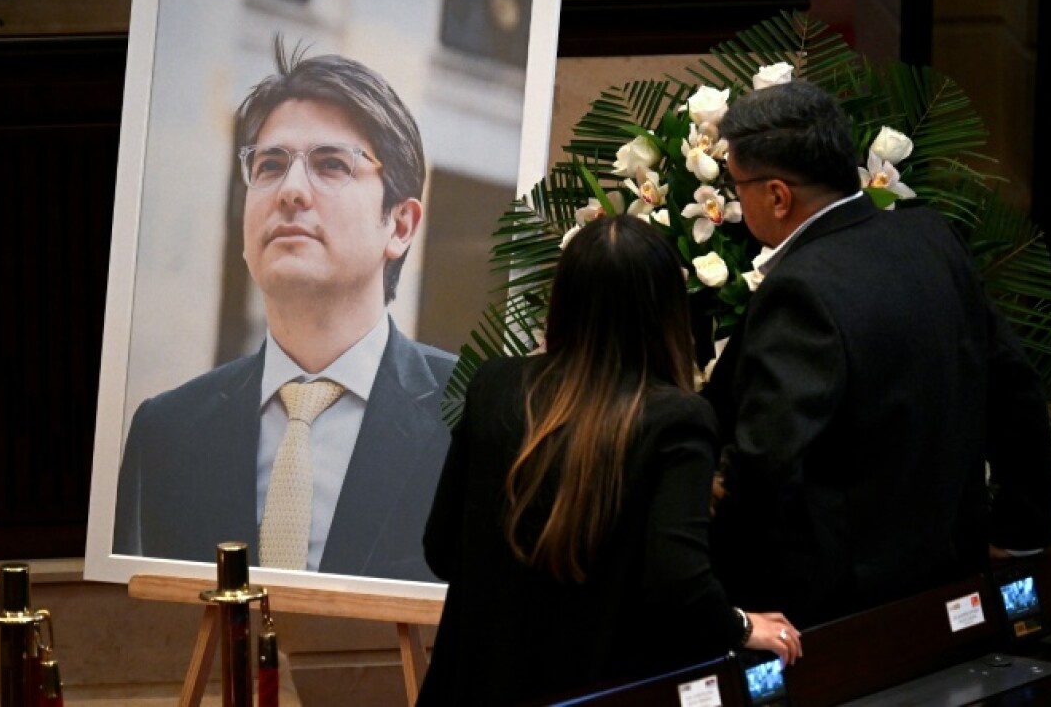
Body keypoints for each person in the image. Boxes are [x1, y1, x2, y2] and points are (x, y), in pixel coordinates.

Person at [703, 79, 1051, 627]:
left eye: (737, 184)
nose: (733, 197)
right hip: (954, 569)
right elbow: (1014, 385)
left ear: (777, 195)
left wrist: (720, 598)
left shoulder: (800, 291)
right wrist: (1021, 530)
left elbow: (767, 463)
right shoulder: (930, 237)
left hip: (842, 607)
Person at [417, 214, 802, 707]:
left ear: (563, 299)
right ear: (667, 309)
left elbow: (441, 549)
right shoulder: (677, 419)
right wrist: (742, 626)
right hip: (598, 690)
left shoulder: (495, 385)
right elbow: (678, 583)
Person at [113, 38, 457, 581]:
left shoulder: (473, 416)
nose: (291, 191)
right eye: (270, 165)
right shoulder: (166, 431)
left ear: (400, 224)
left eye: (330, 164)